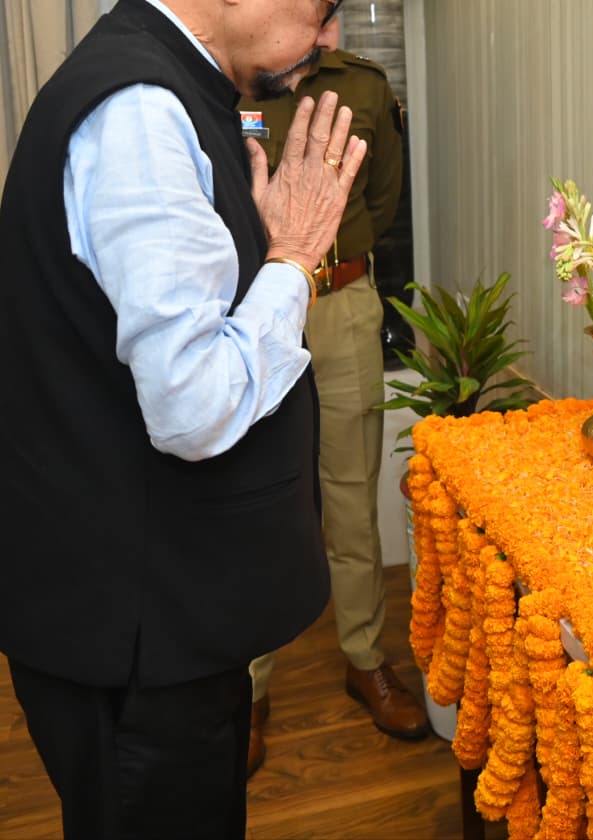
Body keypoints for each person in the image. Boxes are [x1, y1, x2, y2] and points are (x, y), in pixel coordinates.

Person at [0, 0, 364, 840]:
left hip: (150, 613)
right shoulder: (143, 113)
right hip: (134, 629)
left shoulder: (168, 86)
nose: (330, 34)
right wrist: (294, 258)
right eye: (325, 0)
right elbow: (191, 406)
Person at [239, 41, 428, 776]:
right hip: (252, 306)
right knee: (257, 503)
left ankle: (365, 660)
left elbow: (381, 202)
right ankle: (248, 689)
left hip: (343, 300)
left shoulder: (365, 86)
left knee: (351, 496)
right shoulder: (231, 73)